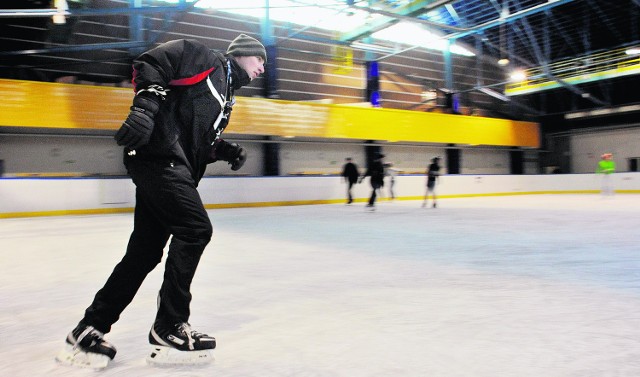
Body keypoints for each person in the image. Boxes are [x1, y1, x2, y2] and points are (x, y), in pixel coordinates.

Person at [56, 34, 267, 368]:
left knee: (144, 252)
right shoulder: (206, 59)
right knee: (195, 229)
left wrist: (222, 149)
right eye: (260, 61)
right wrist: (145, 107)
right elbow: (153, 62)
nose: (262, 69)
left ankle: (88, 330)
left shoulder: (224, 92)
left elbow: (193, 139)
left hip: (168, 162)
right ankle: (169, 326)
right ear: (242, 54)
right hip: (159, 159)